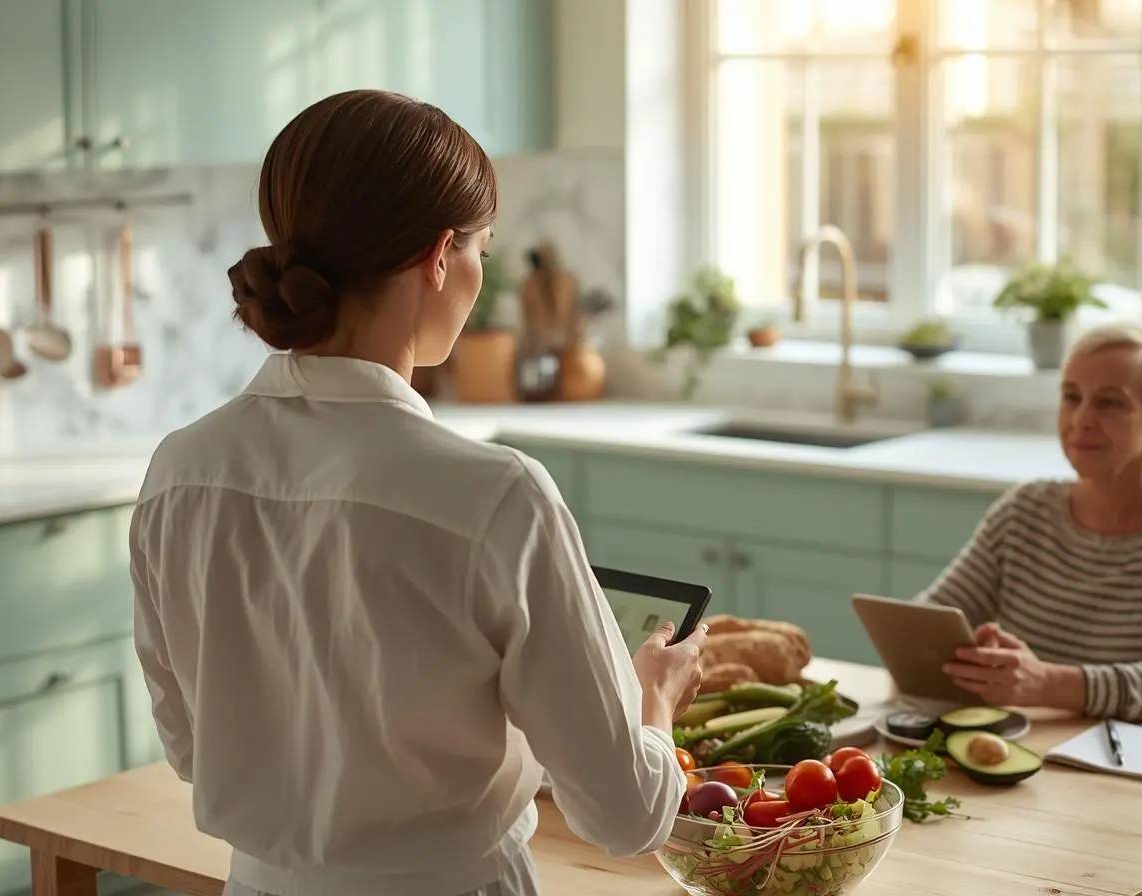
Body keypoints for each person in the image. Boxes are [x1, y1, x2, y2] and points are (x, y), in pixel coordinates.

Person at [128, 90, 707, 896]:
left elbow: (193, 750)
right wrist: (653, 700)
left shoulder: (178, 473)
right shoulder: (498, 496)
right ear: (441, 257)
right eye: (483, 252)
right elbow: (627, 812)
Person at [914, 321, 1142, 896]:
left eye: (1110, 403)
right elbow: (928, 619)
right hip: (1035, 793)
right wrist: (968, 655)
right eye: (1071, 397)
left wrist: (1048, 683)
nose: (1081, 419)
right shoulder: (1024, 510)